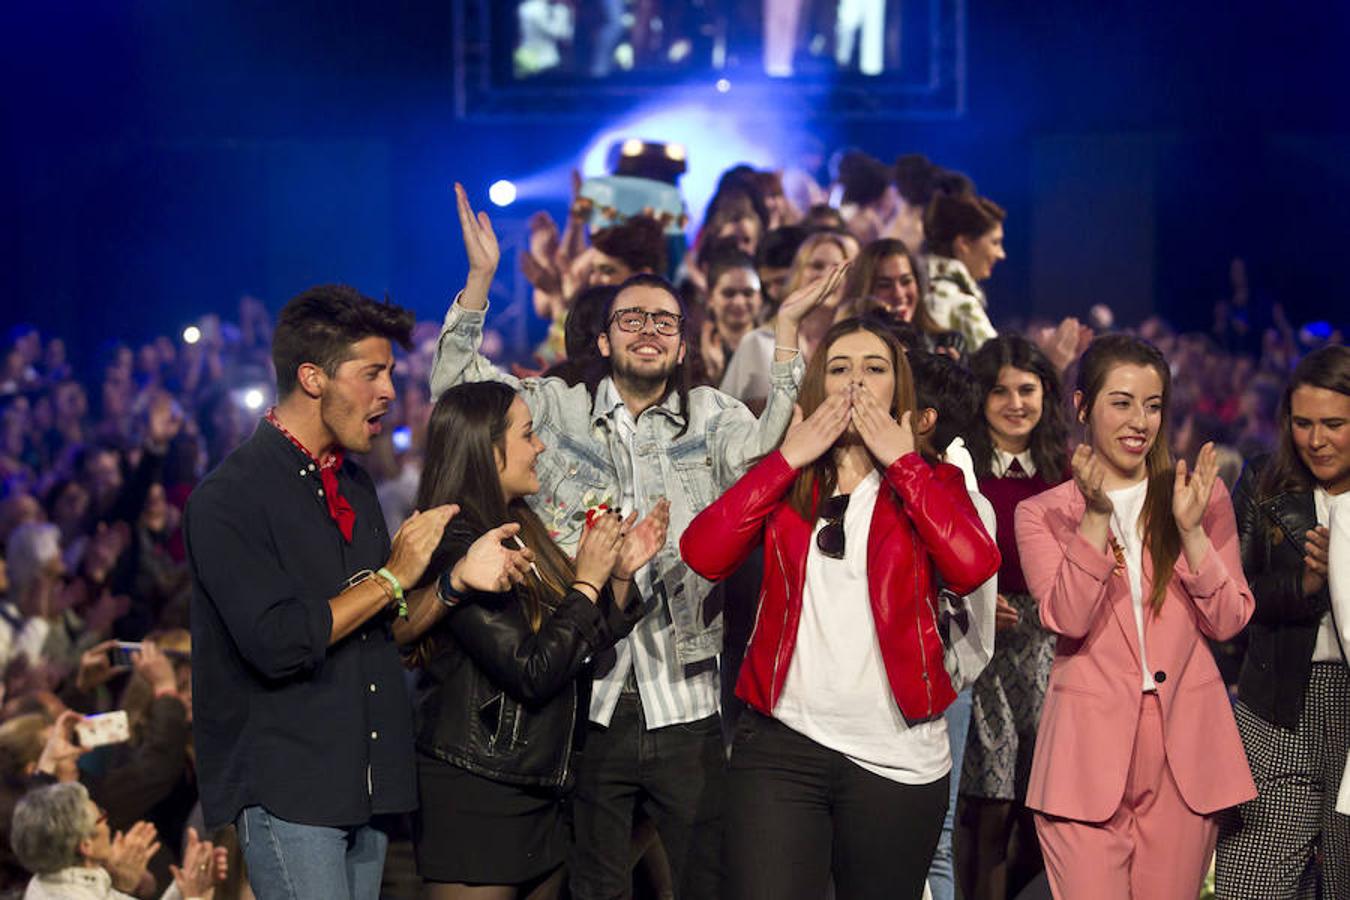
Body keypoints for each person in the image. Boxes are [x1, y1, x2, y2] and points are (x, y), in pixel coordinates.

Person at [432, 183, 833, 900]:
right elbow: (458, 393)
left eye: (664, 321)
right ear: (602, 337)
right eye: (631, 319)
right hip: (587, 697)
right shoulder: (554, 410)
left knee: (707, 885)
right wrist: (480, 283)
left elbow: (770, 460)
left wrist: (789, 331)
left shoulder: (712, 418)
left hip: (689, 699)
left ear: (682, 344)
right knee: (597, 890)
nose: (648, 329)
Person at [680, 318, 1000, 900]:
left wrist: (903, 465)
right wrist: (785, 459)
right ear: (817, 389)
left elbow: (974, 564)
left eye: (874, 369)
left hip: (896, 754)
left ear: (897, 392)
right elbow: (703, 551)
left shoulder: (936, 480)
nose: (856, 382)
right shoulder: (789, 480)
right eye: (839, 368)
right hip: (782, 744)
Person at [184, 285, 467, 899]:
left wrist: (450, 583)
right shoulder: (228, 498)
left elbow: (380, 629)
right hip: (290, 790)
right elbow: (278, 641)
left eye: (390, 373)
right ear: (313, 378)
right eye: (372, 373)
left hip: (364, 783)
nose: (390, 391)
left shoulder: (356, 485)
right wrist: (393, 575)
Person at [397, 381, 670, 899]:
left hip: (539, 783)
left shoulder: (519, 525)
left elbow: (570, 650)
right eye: (527, 434)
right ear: (485, 448)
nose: (540, 446)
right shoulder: (458, 543)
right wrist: (586, 582)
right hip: (477, 788)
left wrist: (615, 578)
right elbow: (532, 669)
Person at [1015, 334, 1257, 899]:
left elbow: (1228, 621)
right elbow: (1068, 617)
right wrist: (1096, 519)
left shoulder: (1200, 496)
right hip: (1085, 753)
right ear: (1082, 407)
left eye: (1152, 405)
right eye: (1121, 402)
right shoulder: (1044, 513)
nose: (1139, 421)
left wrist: (1193, 533)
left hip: (1185, 751)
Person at [1216, 343, 1350, 899]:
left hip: (1349, 703)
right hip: (1277, 703)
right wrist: (1308, 585)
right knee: (1254, 880)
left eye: (1334, 424)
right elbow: (1236, 596)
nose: (1315, 440)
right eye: (1303, 423)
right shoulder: (1266, 485)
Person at [955, 335, 1069, 900]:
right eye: (1000, 391)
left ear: (1047, 394)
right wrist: (973, 602)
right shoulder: (961, 469)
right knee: (985, 802)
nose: (1015, 403)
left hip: (1051, 641)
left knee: (1038, 800)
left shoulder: (1065, 469)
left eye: (1027, 389)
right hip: (979, 640)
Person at [10, 781, 219, 900]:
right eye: (100, 816)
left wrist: (186, 884)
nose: (107, 822)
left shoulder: (48, 880)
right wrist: (194, 896)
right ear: (86, 845)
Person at [923, 193, 1005, 352]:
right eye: (995, 242)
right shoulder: (963, 305)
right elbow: (1002, 371)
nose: (1001, 254)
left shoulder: (920, 289)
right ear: (964, 244)